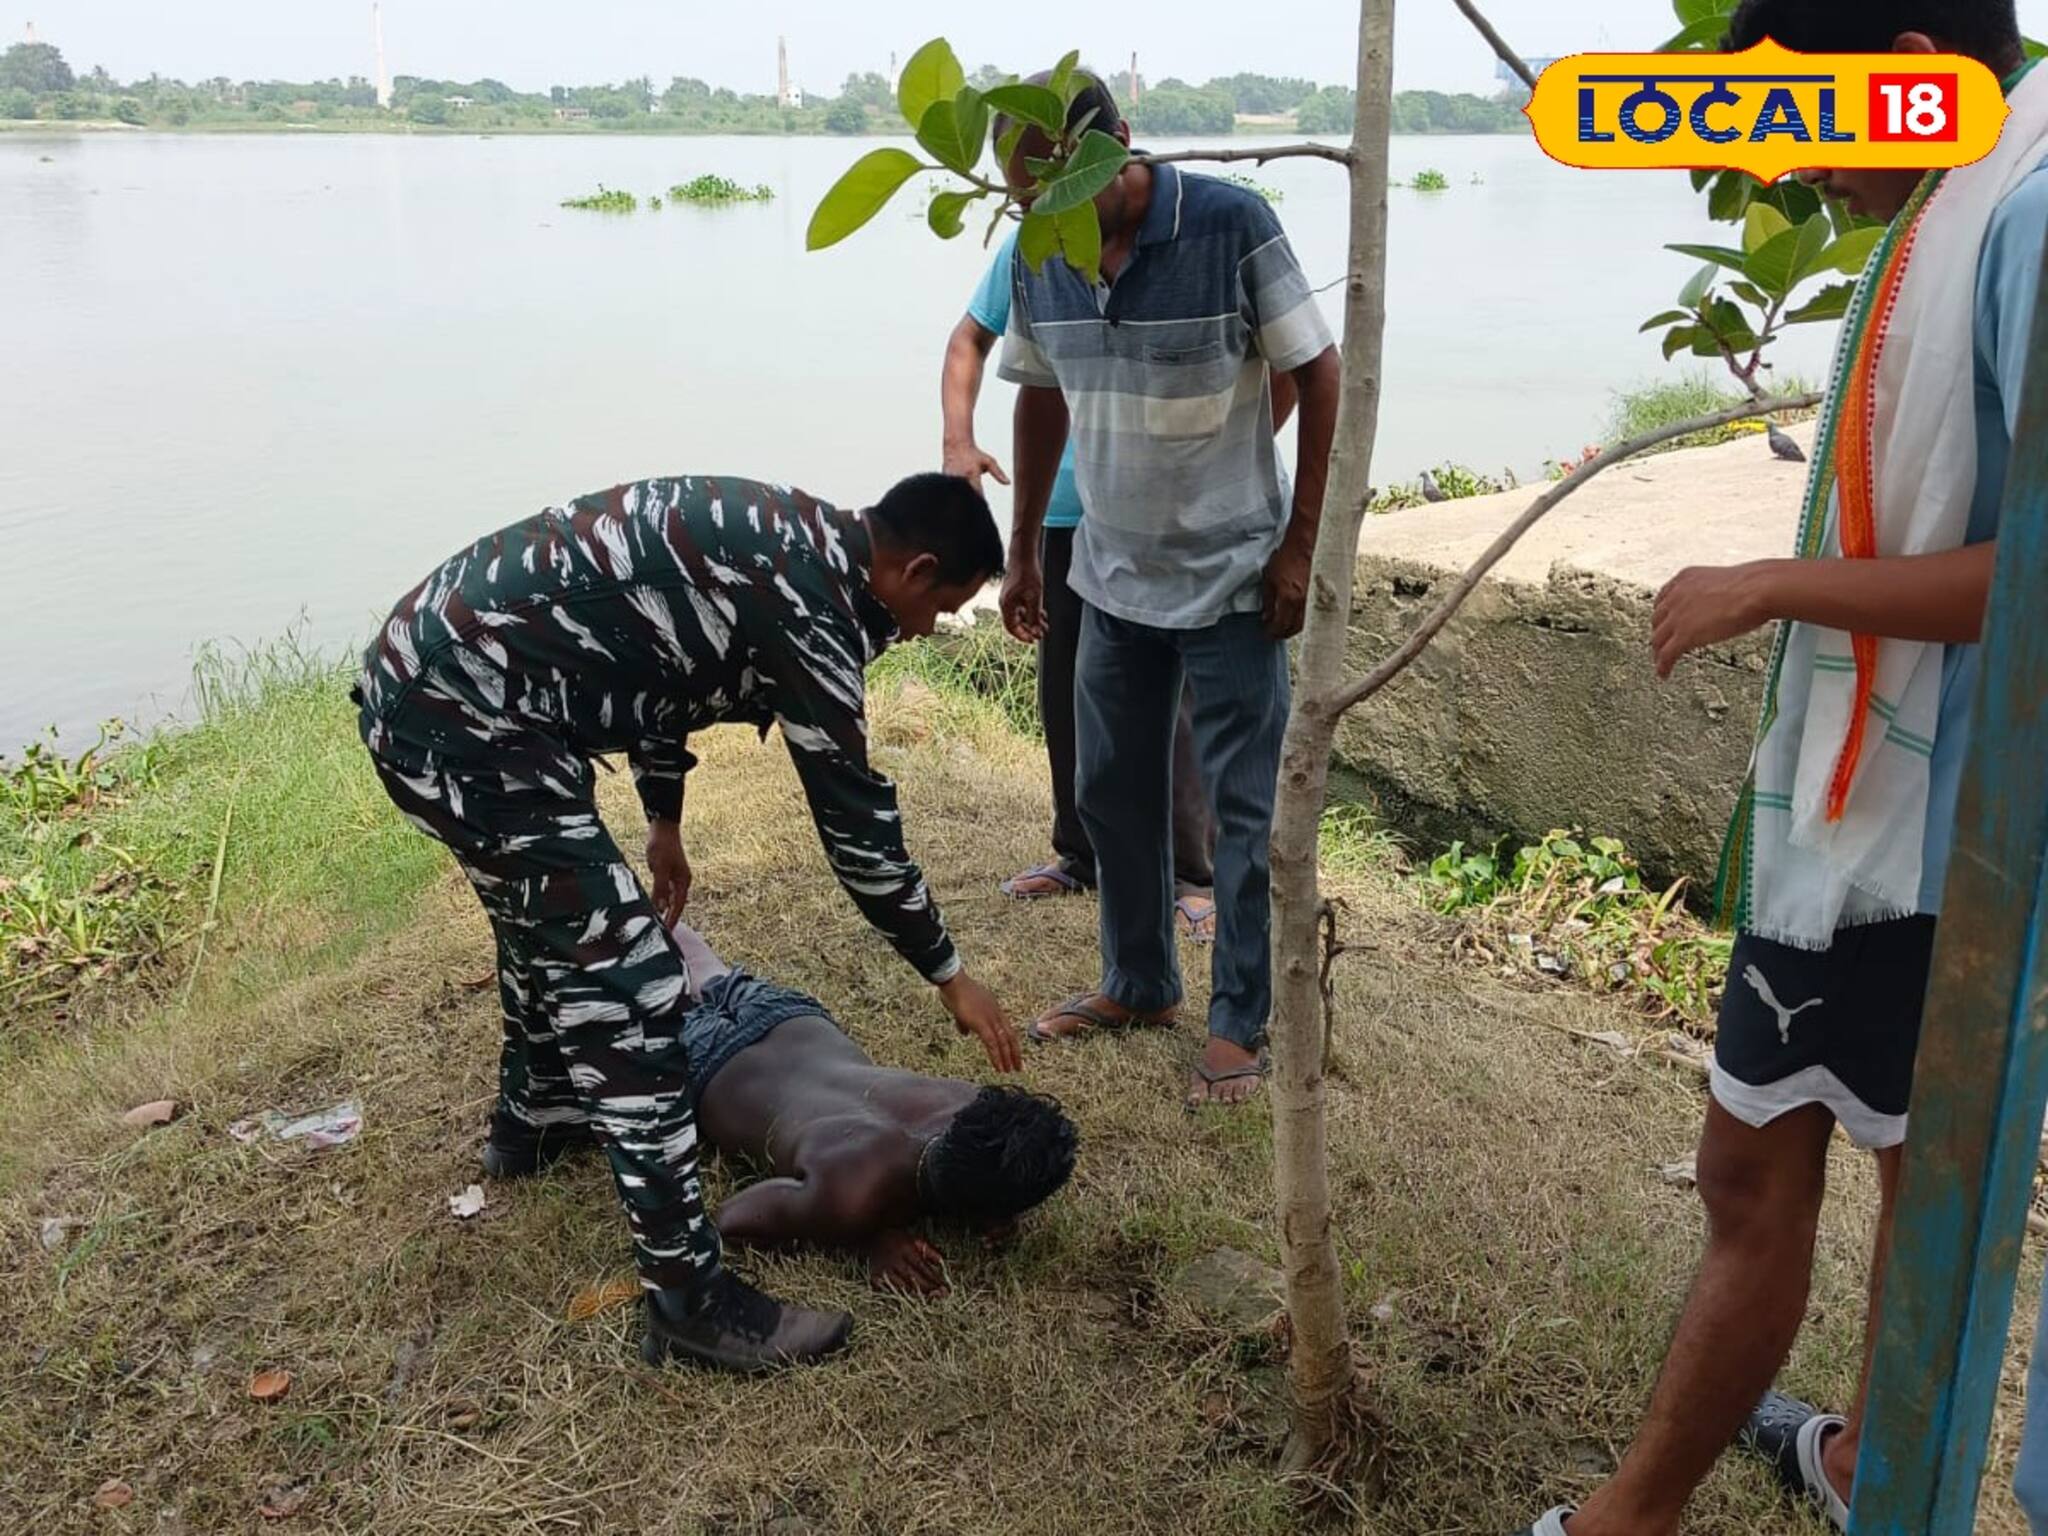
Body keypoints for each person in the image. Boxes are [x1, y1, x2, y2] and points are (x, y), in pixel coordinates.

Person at [1508, 3, 2047, 1532]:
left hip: (1916, 839)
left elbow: (2040, 574)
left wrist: (1776, 583)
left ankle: (1631, 1516)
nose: (1786, 160)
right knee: (1900, 1171)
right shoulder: (1974, 199)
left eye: (1789, 111)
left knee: (1756, 1178)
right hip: (1926, 817)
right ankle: (1871, 1458)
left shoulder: (2018, 218)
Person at [355, 471, 1021, 1375]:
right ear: (916, 568)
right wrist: (949, 972)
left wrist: (662, 817)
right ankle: (690, 1302)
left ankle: (538, 1117)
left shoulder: (795, 545)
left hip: (452, 685)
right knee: (628, 979)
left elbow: (661, 661)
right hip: (461, 707)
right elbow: (857, 828)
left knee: (546, 919)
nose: (924, 631)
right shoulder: (812, 603)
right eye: (938, 608)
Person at [992, 76, 1342, 1109]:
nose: (1040, 213)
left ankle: (1240, 1020)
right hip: (1109, 576)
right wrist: (1023, 550)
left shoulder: (1229, 223)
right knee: (1109, 791)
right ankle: (1138, 984)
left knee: (1242, 813)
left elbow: (1314, 373)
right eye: (1021, 197)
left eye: (1058, 186)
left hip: (1236, 580)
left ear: (1119, 150)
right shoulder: (1035, 253)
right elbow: (1039, 392)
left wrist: (1296, 549)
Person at [943, 237, 1302, 938]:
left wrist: (1232, 451)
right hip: (1066, 511)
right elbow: (975, 344)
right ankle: (1080, 853)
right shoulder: (1029, 248)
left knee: (1181, 706)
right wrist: (959, 441)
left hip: (1165, 516)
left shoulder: (1189, 245)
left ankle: (1190, 872)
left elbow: (1293, 367)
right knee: (1069, 692)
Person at [660, 920, 1079, 1295]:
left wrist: (991, 1202)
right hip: (707, 1062)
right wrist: (862, 1241)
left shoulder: (969, 1101)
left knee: (696, 961)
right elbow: (731, 1220)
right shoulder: (851, 1193)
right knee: (633, 1002)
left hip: (786, 1018)